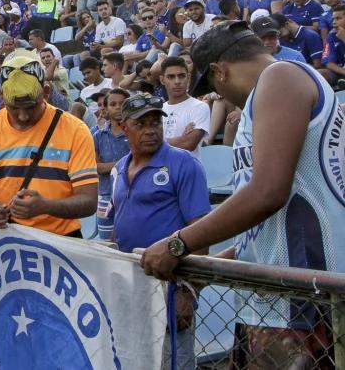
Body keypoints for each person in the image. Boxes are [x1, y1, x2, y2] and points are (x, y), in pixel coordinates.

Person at [141, 20, 345, 367]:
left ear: (219, 71)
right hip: (277, 301)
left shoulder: (281, 79)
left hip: (305, 303)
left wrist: (178, 243)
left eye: (215, 88)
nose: (221, 96)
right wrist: (207, 268)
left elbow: (268, 193)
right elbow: (268, 225)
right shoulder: (269, 94)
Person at [111, 93, 211, 370]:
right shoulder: (120, 168)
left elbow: (201, 232)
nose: (151, 130)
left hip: (170, 284)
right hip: (131, 284)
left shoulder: (184, 164)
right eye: (141, 124)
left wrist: (188, 293)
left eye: (156, 122)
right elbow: (119, 225)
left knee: (172, 360)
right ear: (123, 126)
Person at [0, 51, 98, 236]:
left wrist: (46, 207)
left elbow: (89, 201)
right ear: (1, 95)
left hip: (63, 242)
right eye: (13, 108)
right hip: (8, 240)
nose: (23, 116)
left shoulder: (76, 130)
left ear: (46, 92)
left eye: (31, 106)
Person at [92, 88, 130, 240]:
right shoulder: (98, 136)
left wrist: (107, 166)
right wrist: (125, 162)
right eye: (113, 104)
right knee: (107, 241)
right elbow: (95, 167)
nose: (118, 107)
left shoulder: (134, 132)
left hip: (131, 194)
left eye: (122, 103)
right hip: (105, 194)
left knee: (130, 240)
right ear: (106, 108)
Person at [160, 57, 210, 158]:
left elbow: (189, 143)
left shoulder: (200, 107)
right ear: (162, 80)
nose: (177, 81)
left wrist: (158, 142)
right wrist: (181, 138)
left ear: (189, 77)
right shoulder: (157, 111)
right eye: (171, 77)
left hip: (188, 171)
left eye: (181, 76)